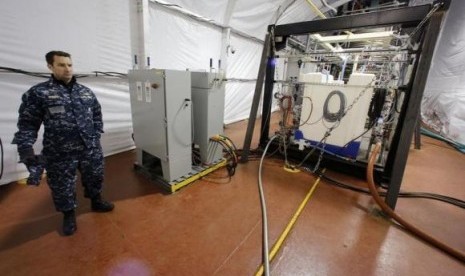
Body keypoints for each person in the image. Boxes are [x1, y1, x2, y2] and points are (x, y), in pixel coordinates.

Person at [13, 51, 114, 236]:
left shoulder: (85, 91)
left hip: (89, 149)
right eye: (61, 65)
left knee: (95, 177)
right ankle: (68, 215)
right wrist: (26, 148)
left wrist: (96, 132)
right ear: (50, 67)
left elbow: (97, 113)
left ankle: (96, 201)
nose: (67, 69)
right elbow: (27, 124)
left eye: (69, 65)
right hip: (59, 152)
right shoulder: (39, 93)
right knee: (62, 186)